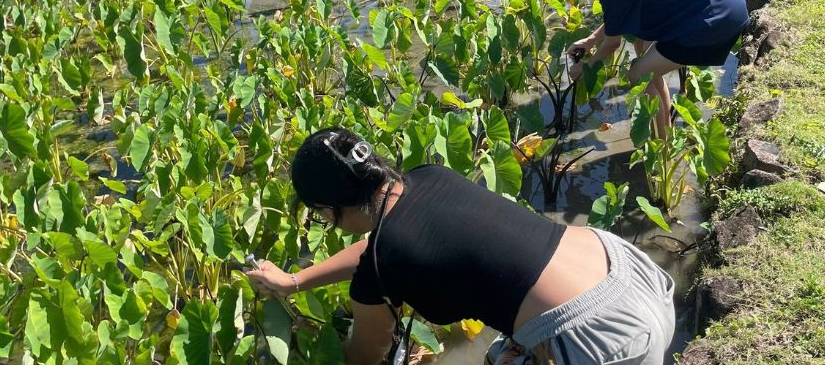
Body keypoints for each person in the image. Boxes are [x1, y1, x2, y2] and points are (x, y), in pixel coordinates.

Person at [246, 127, 676, 365]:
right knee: (498, 356)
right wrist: (294, 281)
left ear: (326, 207)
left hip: (603, 342)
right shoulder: (426, 176)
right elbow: (380, 246)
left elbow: (365, 356)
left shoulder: (383, 262)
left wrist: (317, 350)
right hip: (633, 275)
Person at [540, 0, 749, 140]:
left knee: (638, 74)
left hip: (716, 16)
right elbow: (621, 13)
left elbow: (613, 43)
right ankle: (664, 137)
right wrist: (592, 39)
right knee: (648, 63)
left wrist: (588, 67)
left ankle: (660, 145)